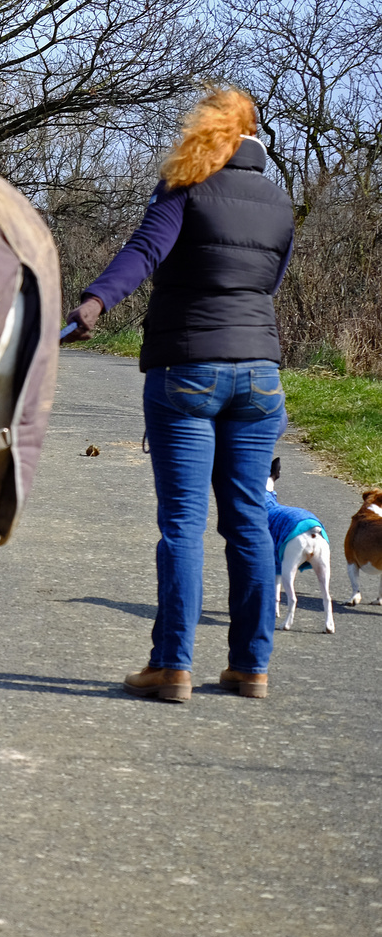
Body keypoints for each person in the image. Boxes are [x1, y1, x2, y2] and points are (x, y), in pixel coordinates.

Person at [63, 87, 294, 701]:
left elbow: (145, 252)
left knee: (183, 525)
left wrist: (95, 302)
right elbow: (270, 277)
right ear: (252, 137)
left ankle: (172, 666)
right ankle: (251, 667)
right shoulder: (277, 200)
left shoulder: (185, 187)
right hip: (261, 374)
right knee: (247, 522)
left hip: (188, 370)